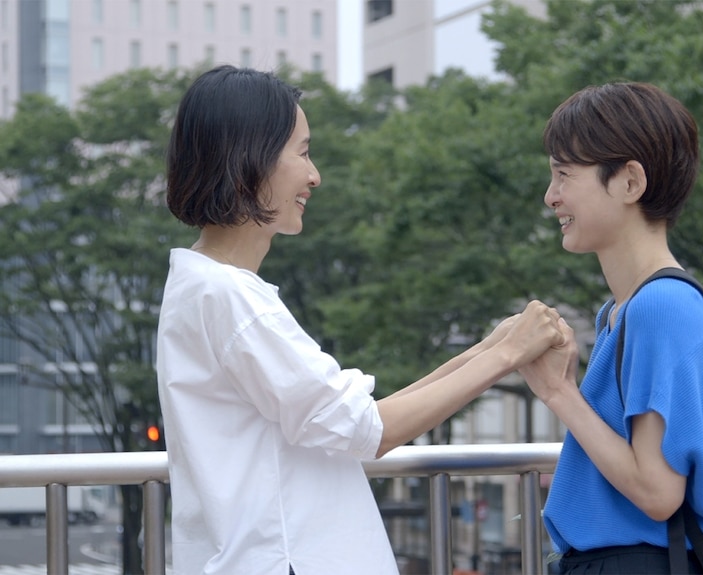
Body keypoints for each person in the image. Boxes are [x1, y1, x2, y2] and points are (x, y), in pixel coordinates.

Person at [155, 65, 565, 575]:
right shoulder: (230, 297)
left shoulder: (205, 287)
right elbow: (369, 430)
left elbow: (348, 415)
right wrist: (505, 354)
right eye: (302, 152)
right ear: (249, 159)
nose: (314, 175)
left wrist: (489, 350)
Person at [518, 83, 703, 574]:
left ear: (630, 182)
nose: (551, 196)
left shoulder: (662, 307)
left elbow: (657, 492)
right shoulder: (623, 310)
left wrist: (560, 393)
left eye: (564, 174)